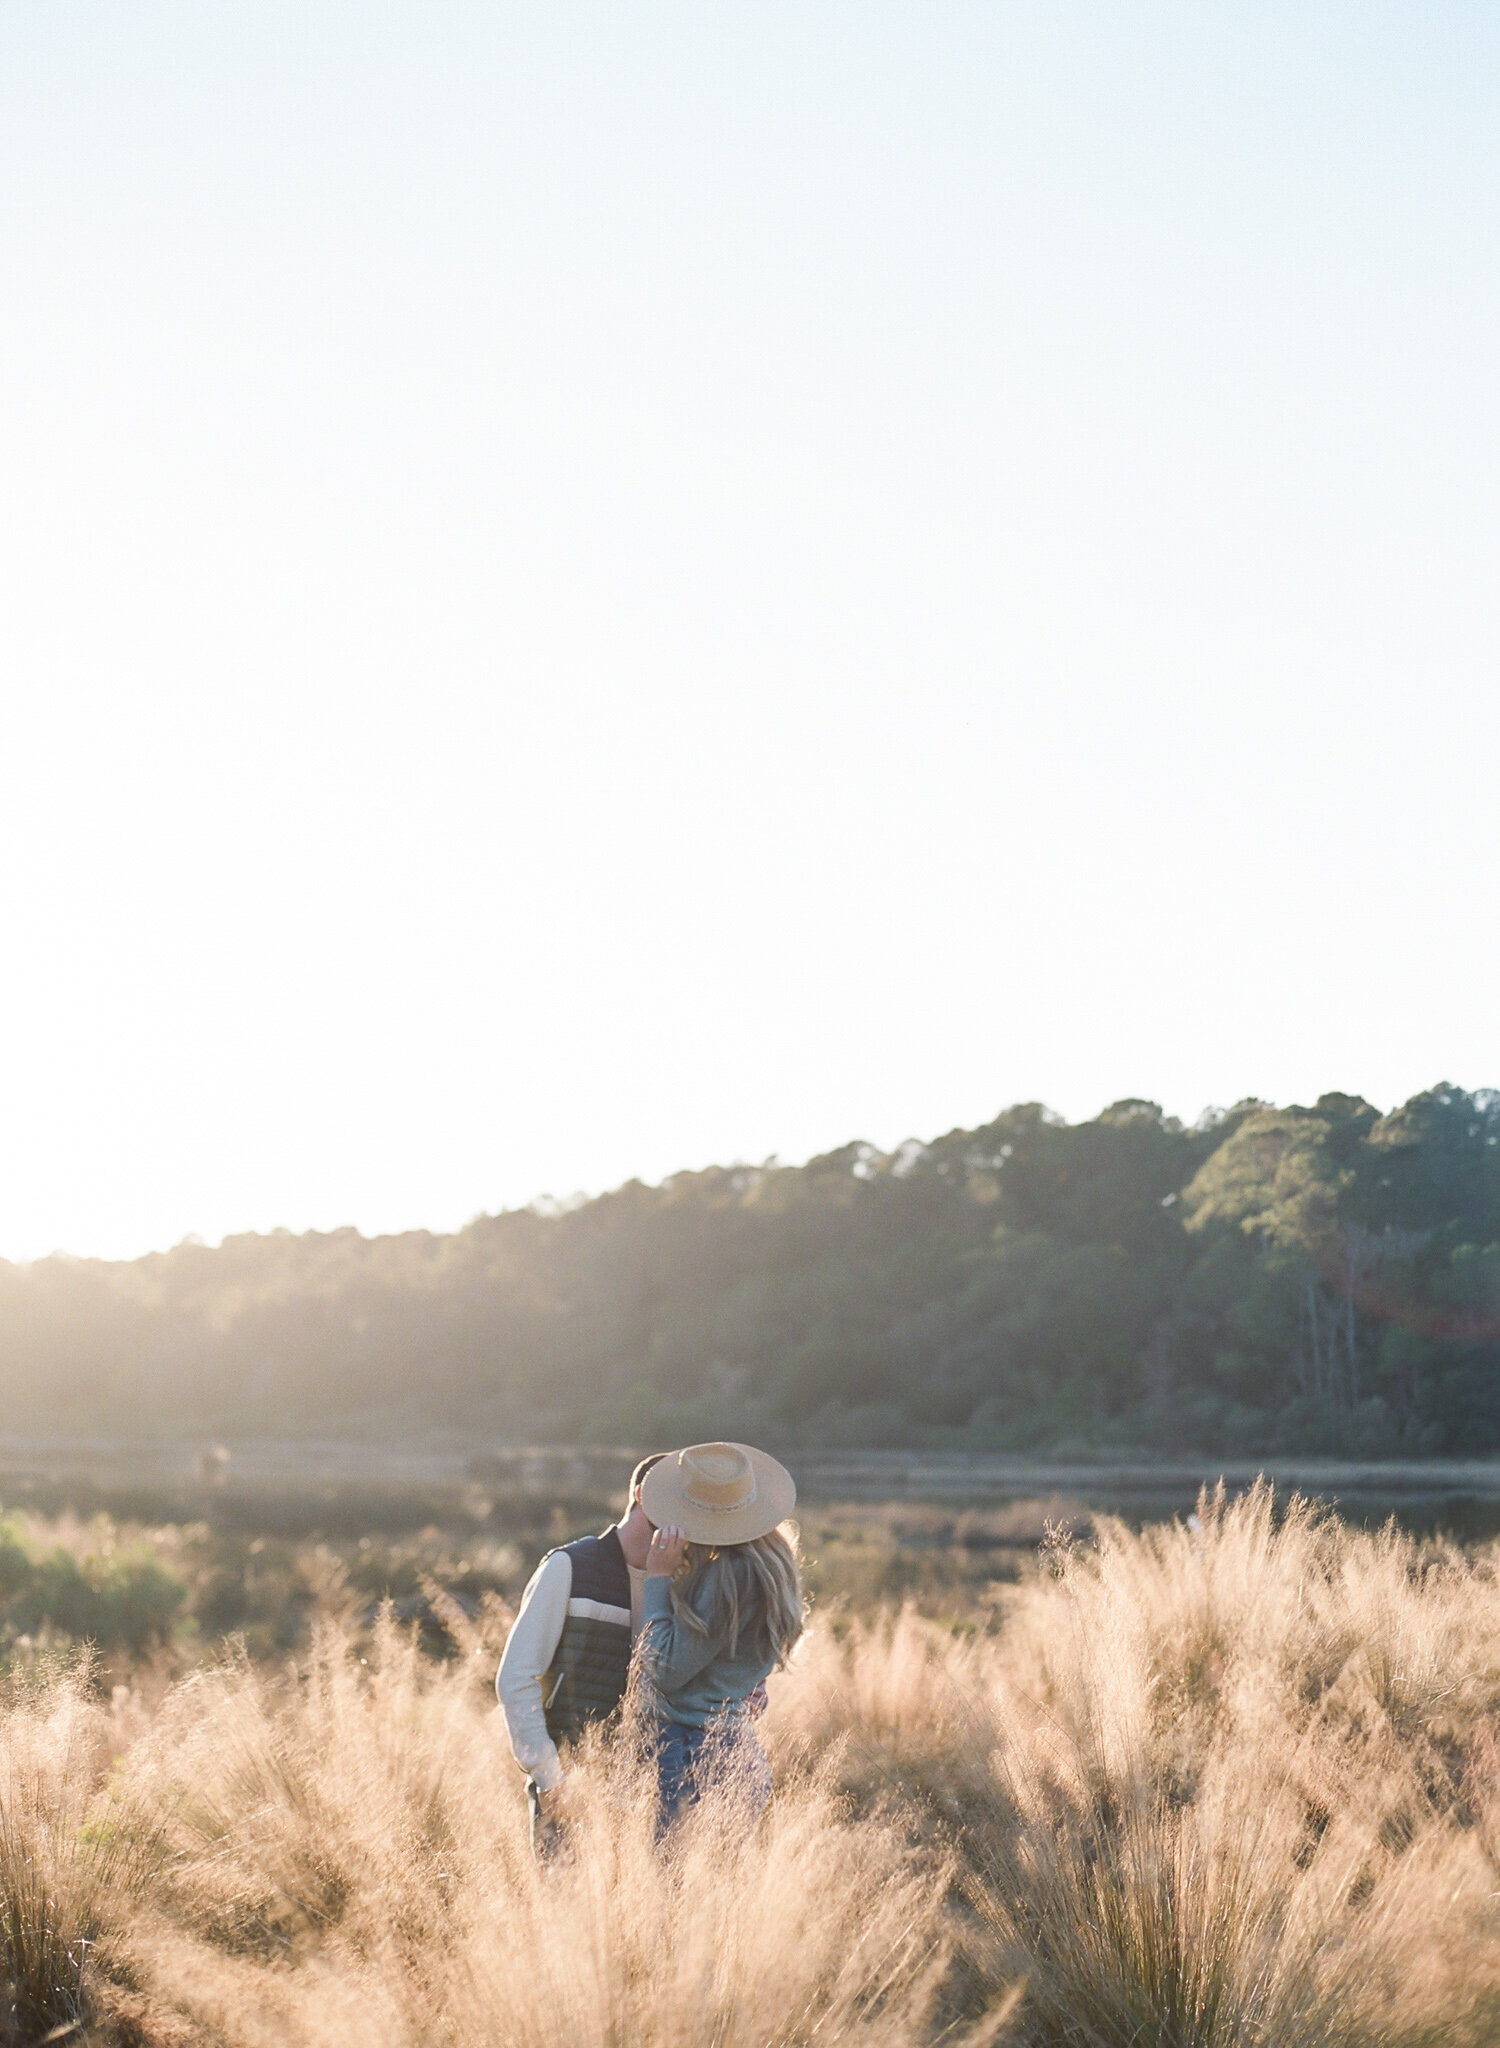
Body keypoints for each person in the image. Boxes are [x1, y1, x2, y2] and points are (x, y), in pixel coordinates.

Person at [495, 1451, 665, 1859]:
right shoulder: (569, 1567)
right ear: (641, 1495)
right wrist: (550, 1779)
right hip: (572, 1785)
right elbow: (515, 1678)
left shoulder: (683, 1585)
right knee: (566, 1916)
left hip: (651, 1793)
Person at [634, 1441, 804, 1830]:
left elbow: (664, 1672)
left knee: (672, 1885)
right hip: (738, 1748)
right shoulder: (772, 1565)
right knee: (722, 1884)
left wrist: (658, 1577)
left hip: (689, 1750)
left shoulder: (727, 1578)